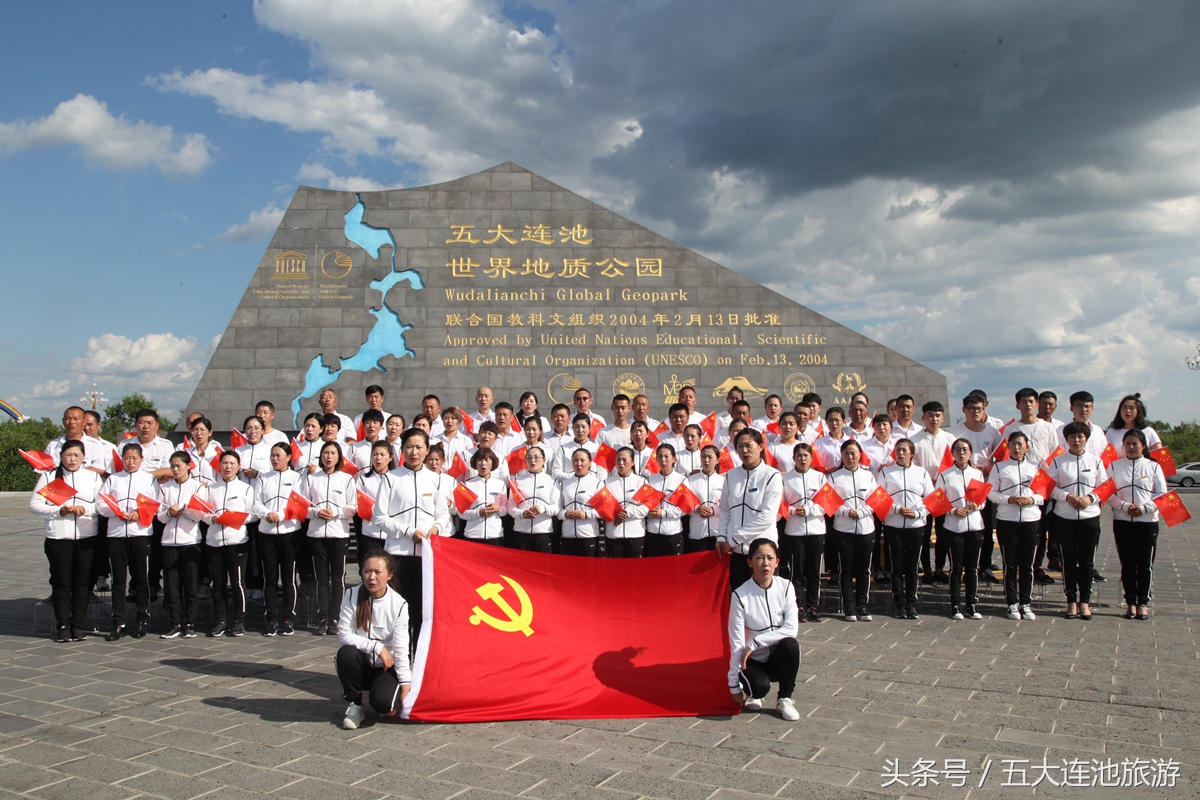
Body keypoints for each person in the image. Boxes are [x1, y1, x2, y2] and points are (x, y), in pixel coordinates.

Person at [371, 429, 450, 643]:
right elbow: (379, 517)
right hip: (398, 555)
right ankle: (400, 665)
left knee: (424, 613)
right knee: (400, 613)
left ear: (427, 449)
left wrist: (436, 528)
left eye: (418, 447)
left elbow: (443, 515)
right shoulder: (390, 479)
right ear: (402, 449)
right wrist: (408, 532)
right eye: (409, 447)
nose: (414, 452)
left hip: (427, 556)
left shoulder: (436, 480)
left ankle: (420, 668)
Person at [30, 439, 102, 642]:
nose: (72, 459)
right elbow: (34, 505)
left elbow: (103, 504)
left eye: (76, 455)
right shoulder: (49, 476)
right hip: (58, 537)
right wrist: (58, 511)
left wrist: (85, 509)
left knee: (82, 583)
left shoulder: (93, 477)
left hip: (86, 536)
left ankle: (78, 625)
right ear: (61, 456)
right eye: (68, 455)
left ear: (83, 457)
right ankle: (62, 624)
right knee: (61, 582)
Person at [336, 550, 411, 730]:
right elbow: (344, 635)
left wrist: (406, 685)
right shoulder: (351, 595)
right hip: (361, 662)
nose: (372, 577)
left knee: (384, 707)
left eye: (378, 572)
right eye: (367, 571)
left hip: (385, 666)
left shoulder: (399, 604)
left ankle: (382, 696)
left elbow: (401, 649)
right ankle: (355, 705)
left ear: (389, 574)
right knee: (345, 654)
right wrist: (377, 647)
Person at [728, 538, 801, 721]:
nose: (765, 563)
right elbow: (736, 642)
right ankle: (754, 693)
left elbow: (791, 629)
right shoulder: (740, 595)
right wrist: (733, 686)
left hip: (777, 659)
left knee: (791, 645)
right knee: (760, 687)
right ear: (750, 562)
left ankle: (785, 698)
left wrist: (756, 641)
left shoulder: (785, 587)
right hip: (753, 661)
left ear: (777, 562)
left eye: (770, 557)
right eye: (759, 558)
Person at [1045, 421, 1108, 621]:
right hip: (1065, 517)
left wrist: (1090, 499)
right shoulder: (1058, 462)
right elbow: (1049, 487)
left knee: (1087, 562)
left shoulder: (1096, 461)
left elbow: (1104, 486)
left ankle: (1085, 602)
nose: (1076, 440)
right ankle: (1071, 601)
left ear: (1086, 439)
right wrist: (1067, 497)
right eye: (1072, 437)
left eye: (1080, 436)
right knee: (1069, 561)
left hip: (1089, 518)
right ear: (1066, 439)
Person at [97, 441, 157, 639]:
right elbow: (102, 503)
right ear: (122, 459)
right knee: (118, 580)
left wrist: (138, 514)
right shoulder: (113, 479)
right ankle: (118, 621)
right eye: (127, 458)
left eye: (134, 458)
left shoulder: (149, 480)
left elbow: (155, 504)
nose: (131, 462)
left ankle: (142, 618)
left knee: (141, 578)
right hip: (116, 534)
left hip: (140, 533)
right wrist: (117, 513)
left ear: (141, 459)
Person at [1106, 429, 1168, 620]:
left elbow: (1162, 494)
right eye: (1128, 444)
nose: (1131, 447)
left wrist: (1144, 509)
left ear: (1143, 446)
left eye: (1135, 443)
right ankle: (1130, 602)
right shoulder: (1115, 467)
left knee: (1145, 564)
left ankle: (1143, 602)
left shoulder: (1153, 466)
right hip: (1123, 521)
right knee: (1127, 563)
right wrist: (1124, 506)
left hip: (1147, 521)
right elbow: (1108, 493)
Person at [717, 429, 783, 589]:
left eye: (748, 445)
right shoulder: (731, 475)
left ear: (760, 447)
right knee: (738, 598)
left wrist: (732, 539)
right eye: (740, 446)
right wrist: (721, 538)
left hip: (761, 553)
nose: (744, 450)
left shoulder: (772, 475)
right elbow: (725, 511)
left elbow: (767, 516)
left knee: (762, 598)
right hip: (736, 552)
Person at [989, 431, 1043, 621]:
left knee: (1027, 565)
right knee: (1009, 564)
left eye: (1020, 444)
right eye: (1013, 444)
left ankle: (1026, 603)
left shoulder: (1036, 467)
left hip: (1030, 520)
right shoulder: (999, 467)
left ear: (1026, 447)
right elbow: (991, 493)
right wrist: (1008, 499)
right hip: (1007, 520)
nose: (1016, 447)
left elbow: (1043, 494)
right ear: (1008, 446)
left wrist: (1031, 499)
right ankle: (1012, 603)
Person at [252, 442, 304, 636]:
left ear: (289, 457)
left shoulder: (296, 477)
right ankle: (271, 618)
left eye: (278, 455)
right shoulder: (263, 478)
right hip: (267, 532)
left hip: (289, 531)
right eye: (272, 455)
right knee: (270, 579)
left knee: (289, 578)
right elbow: (256, 504)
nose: (275, 458)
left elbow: (297, 503)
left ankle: (288, 618)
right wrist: (267, 514)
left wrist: (280, 515)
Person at [303, 442, 355, 635]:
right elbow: (303, 506)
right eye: (326, 453)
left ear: (339, 456)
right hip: (316, 534)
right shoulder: (311, 479)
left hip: (338, 534)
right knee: (321, 578)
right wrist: (316, 512)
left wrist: (335, 512)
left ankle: (337, 616)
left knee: (338, 577)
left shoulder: (347, 479)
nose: (329, 456)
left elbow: (352, 507)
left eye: (333, 453)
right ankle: (323, 617)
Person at [203, 451, 257, 637]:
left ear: (238, 466)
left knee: (237, 583)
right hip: (214, 541)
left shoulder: (246, 489)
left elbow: (254, 514)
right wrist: (212, 518)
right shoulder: (210, 488)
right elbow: (203, 512)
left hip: (237, 540)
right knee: (218, 584)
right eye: (224, 463)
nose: (227, 467)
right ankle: (220, 620)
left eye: (231, 463)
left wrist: (235, 519)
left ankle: (239, 620)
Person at [879, 439, 932, 620]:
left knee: (912, 566)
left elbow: (931, 499)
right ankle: (899, 602)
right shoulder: (886, 472)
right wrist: (896, 509)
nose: (900, 453)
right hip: (894, 524)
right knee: (896, 565)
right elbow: (880, 497)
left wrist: (917, 514)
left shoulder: (921, 473)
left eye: (904, 450)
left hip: (916, 525)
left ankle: (911, 602)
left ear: (912, 453)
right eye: (898, 450)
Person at [155, 452, 205, 638]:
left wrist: (183, 508)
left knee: (191, 584)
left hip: (190, 540)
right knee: (172, 585)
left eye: (179, 466)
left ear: (188, 466)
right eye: (173, 466)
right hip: (169, 541)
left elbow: (199, 514)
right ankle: (174, 621)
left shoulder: (197, 487)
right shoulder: (165, 488)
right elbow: (159, 516)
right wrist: (169, 513)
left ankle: (190, 622)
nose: (175, 469)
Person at [936, 439, 986, 620]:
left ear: (971, 453)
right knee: (956, 568)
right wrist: (952, 510)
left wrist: (976, 506)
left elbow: (983, 499)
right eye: (958, 449)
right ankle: (955, 605)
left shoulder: (977, 474)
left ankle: (971, 604)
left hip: (975, 526)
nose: (961, 453)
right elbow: (937, 500)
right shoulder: (945, 475)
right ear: (953, 453)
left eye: (965, 449)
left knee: (972, 568)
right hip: (954, 527)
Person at [829, 440, 878, 621]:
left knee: (864, 569)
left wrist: (863, 512)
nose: (850, 457)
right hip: (843, 529)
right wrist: (845, 512)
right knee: (846, 570)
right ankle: (848, 606)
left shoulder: (868, 476)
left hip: (866, 528)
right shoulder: (834, 477)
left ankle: (862, 606)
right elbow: (830, 503)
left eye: (853, 453)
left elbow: (875, 500)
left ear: (860, 455)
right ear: (841, 456)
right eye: (846, 454)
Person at [781, 443, 829, 622]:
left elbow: (827, 504)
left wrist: (809, 510)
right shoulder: (786, 479)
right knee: (797, 572)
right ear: (793, 458)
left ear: (811, 458)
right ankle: (798, 605)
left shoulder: (820, 477)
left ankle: (813, 605)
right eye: (799, 455)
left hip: (816, 529)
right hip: (794, 531)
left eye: (806, 456)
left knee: (814, 571)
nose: (802, 459)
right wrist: (793, 511)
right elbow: (780, 504)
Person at [508, 446, 558, 552]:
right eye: (529, 458)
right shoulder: (517, 480)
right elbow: (510, 507)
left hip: (544, 532)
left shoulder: (552, 480)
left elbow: (556, 507)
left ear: (544, 460)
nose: (533, 460)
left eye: (536, 457)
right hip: (521, 531)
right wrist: (521, 514)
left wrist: (542, 508)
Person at [557, 449, 605, 556]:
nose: (579, 464)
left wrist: (586, 515)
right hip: (568, 534)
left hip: (589, 535)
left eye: (582, 460)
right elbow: (557, 508)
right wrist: (565, 514)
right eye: (575, 460)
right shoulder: (564, 484)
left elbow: (603, 509)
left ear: (590, 462)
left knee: (589, 570)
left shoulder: (597, 484)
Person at [604, 448, 649, 558]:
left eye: (625, 460)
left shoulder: (642, 481)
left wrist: (627, 513)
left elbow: (646, 507)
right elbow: (602, 507)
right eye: (618, 460)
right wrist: (615, 514)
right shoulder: (606, 483)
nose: (621, 463)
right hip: (613, 534)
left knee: (635, 572)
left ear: (633, 462)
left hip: (635, 534)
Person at [644, 444, 687, 556]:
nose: (663, 460)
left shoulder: (682, 481)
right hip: (652, 532)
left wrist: (664, 513)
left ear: (674, 459)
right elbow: (643, 503)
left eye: (666, 456)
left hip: (672, 532)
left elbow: (684, 508)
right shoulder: (649, 480)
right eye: (660, 456)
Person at [460, 449, 507, 545]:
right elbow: (462, 513)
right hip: (473, 535)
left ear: (493, 462)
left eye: (487, 460)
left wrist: (499, 509)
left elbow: (505, 511)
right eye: (480, 460)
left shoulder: (500, 484)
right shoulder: (466, 485)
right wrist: (478, 513)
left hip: (495, 535)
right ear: (475, 463)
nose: (483, 463)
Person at [686, 445, 725, 553]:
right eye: (703, 457)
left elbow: (729, 504)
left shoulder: (724, 481)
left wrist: (715, 510)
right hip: (698, 532)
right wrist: (697, 508)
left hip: (718, 532)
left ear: (717, 460)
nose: (706, 460)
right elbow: (684, 503)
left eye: (710, 457)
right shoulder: (690, 481)